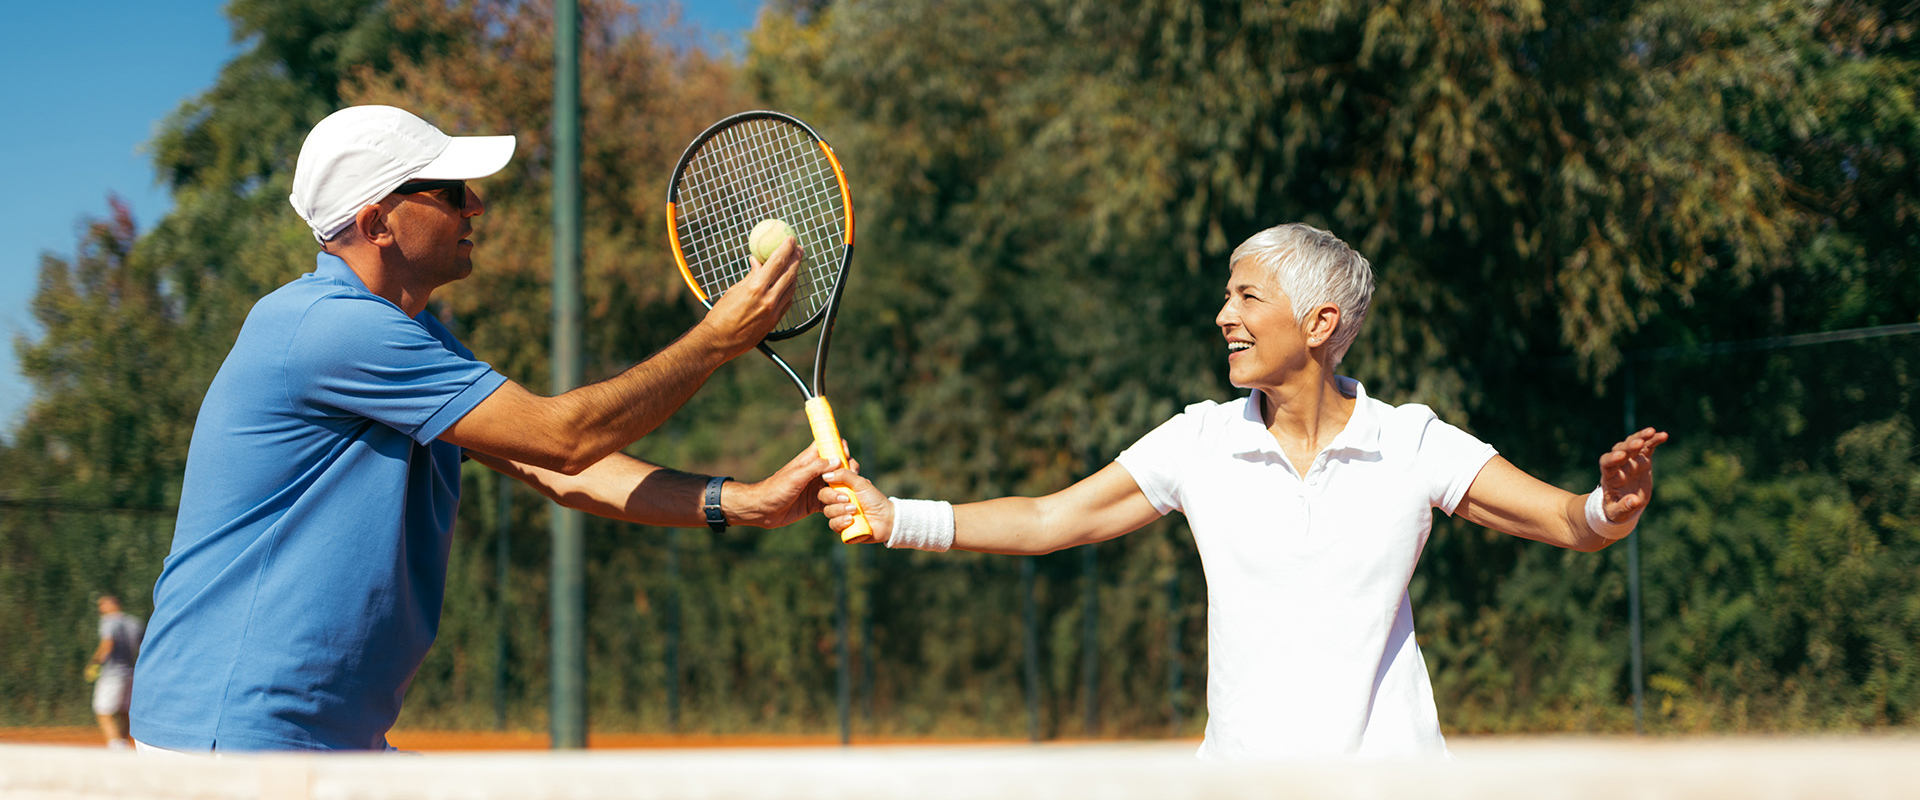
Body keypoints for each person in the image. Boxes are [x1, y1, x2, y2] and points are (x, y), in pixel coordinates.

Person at [820, 222, 1669, 760]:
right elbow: (1051, 519)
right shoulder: (1200, 439)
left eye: (1247, 294)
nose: (1224, 314)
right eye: (1227, 293)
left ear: (1319, 324)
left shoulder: (1412, 440)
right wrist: (898, 519)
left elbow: (1566, 521)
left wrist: (1609, 507)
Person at [130, 105, 829, 753]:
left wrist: (744, 501)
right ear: (377, 224)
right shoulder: (330, 327)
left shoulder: (410, 336)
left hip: (313, 733)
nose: (477, 204)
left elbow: (552, 467)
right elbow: (566, 438)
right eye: (450, 191)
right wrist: (714, 341)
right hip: (235, 737)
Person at [88, 595, 144, 750]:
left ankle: (116, 746)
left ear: (112, 604)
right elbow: (142, 647)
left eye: (102, 605)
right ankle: (124, 743)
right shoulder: (135, 622)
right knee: (123, 711)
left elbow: (107, 644)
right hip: (130, 673)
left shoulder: (108, 622)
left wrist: (94, 663)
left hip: (111, 674)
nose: (101, 609)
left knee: (102, 711)